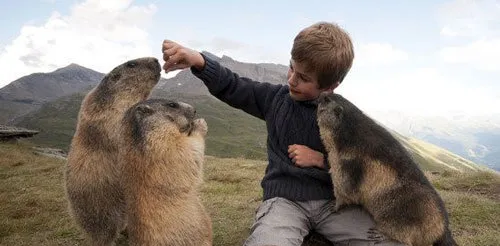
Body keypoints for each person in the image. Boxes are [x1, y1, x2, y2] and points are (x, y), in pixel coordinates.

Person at [161, 21, 403, 246]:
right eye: (291, 68)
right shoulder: (274, 98)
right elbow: (233, 86)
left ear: (330, 86)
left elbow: (365, 166)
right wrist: (200, 61)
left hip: (335, 204)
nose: (291, 80)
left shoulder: (345, 118)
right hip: (284, 202)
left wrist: (320, 160)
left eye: (303, 78)